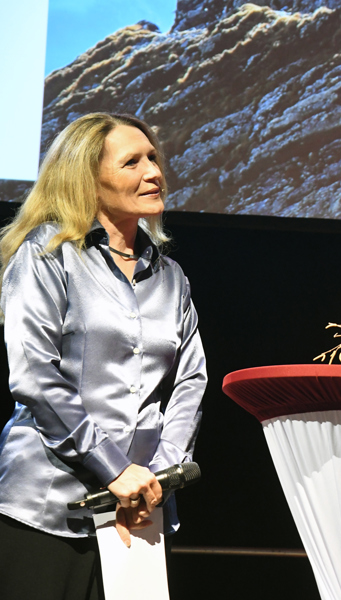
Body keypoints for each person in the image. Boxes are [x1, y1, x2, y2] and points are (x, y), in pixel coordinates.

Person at [0, 113, 207, 599]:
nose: (153, 172)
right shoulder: (47, 255)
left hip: (141, 514)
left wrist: (161, 475)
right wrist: (114, 470)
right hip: (48, 510)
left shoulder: (171, 278)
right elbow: (33, 375)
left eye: (153, 158)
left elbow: (190, 382)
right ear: (87, 181)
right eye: (132, 162)